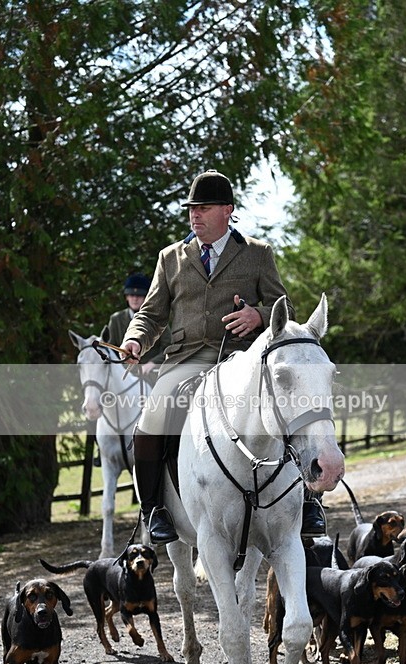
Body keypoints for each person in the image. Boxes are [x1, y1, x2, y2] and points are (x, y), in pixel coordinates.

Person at [120, 169, 326, 544]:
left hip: (242, 359)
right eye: (192, 209)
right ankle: (154, 510)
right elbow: (151, 314)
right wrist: (135, 340)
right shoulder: (170, 258)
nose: (194, 215)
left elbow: (286, 307)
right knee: (149, 421)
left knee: (289, 408)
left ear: (228, 210)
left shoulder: (257, 254)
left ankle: (310, 499)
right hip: (187, 358)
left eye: (204, 207)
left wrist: (258, 316)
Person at [104, 273, 171, 382]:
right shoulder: (116, 319)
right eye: (131, 295)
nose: (135, 299)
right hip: (124, 375)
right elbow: (111, 349)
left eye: (139, 295)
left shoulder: (158, 317)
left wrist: (153, 363)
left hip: (152, 374)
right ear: (126, 296)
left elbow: (168, 347)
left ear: (146, 297)